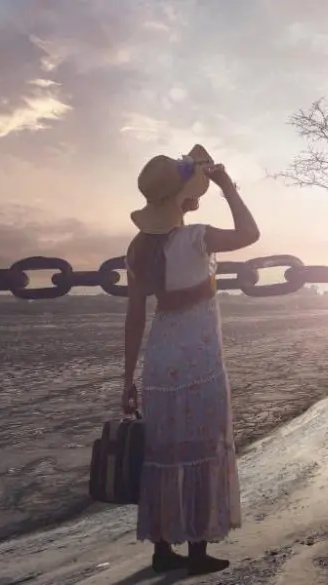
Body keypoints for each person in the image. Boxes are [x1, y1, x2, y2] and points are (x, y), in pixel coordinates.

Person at [121, 144, 260, 575]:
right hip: (200, 362)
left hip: (161, 362)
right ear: (182, 197)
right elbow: (250, 234)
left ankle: (163, 549)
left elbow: (134, 316)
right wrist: (227, 187)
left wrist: (128, 378)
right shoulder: (198, 237)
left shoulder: (139, 248)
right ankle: (198, 552)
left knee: (163, 453)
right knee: (203, 449)